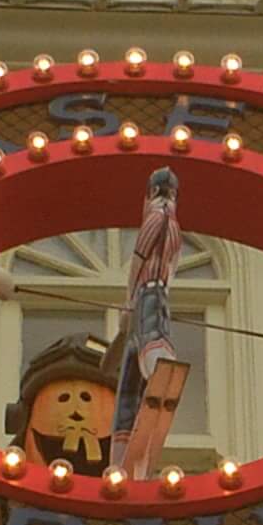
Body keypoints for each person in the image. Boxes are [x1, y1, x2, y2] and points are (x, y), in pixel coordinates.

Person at [109, 167, 183, 476]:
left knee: (150, 328)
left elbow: (139, 260)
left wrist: (129, 299)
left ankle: (157, 361)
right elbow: (170, 265)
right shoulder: (172, 224)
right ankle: (124, 435)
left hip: (148, 289)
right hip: (156, 289)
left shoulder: (156, 218)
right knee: (134, 352)